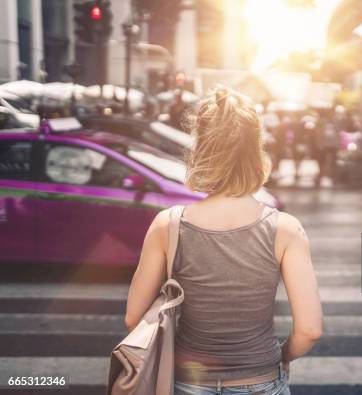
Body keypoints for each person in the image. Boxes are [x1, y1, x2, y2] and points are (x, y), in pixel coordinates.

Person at [124, 87, 323, 395]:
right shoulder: (285, 229)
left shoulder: (169, 224)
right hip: (262, 382)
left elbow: (134, 318)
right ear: (256, 150)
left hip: (188, 383)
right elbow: (309, 330)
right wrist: (282, 357)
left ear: (201, 149)